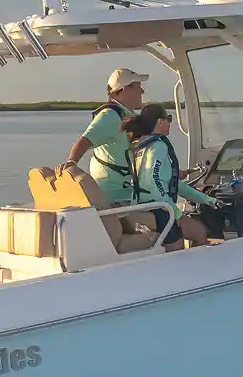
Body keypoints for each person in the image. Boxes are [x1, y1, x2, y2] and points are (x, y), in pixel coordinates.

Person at [124, 104, 217, 249]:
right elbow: (153, 181)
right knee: (196, 236)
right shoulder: (159, 146)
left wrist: (207, 199)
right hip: (160, 209)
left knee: (199, 232)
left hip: (142, 206)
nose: (169, 123)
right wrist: (174, 212)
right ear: (160, 122)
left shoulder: (140, 145)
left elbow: (174, 184)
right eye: (169, 118)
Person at [64, 67, 147, 204]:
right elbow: (84, 141)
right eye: (138, 87)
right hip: (116, 199)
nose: (142, 91)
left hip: (128, 194)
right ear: (124, 90)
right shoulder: (110, 116)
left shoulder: (126, 115)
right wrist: (71, 164)